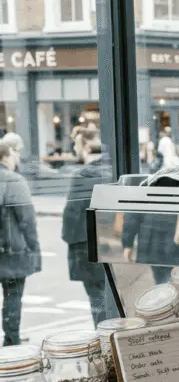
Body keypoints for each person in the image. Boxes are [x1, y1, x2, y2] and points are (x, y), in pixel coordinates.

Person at [61, 128, 114, 326]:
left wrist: (67, 238)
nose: (75, 150)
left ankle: (104, 339)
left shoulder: (82, 176)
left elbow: (71, 214)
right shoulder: (112, 170)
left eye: (76, 145)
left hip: (88, 245)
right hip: (112, 242)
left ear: (85, 146)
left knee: (97, 297)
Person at [0, 142, 40, 345]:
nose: (17, 157)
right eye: (15, 153)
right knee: (13, 295)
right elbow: (27, 219)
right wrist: (34, 247)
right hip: (11, 251)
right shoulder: (13, 181)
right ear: (6, 157)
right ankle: (11, 338)